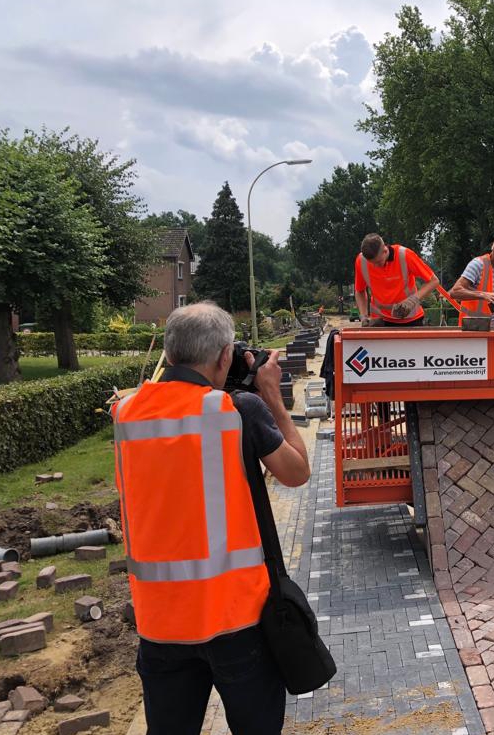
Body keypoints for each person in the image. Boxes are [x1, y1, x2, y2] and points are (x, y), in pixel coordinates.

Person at [111, 302, 310, 734]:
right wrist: (271, 395)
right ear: (225, 357)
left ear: (170, 352)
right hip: (234, 617)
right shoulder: (235, 411)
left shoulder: (126, 415)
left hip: (159, 623)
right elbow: (297, 472)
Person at [354, 233, 440, 327]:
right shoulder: (361, 261)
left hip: (410, 319)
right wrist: (364, 316)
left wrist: (412, 300)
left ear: (385, 250)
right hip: (379, 320)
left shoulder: (404, 255)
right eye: (371, 263)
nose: (375, 266)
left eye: (378, 262)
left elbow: (434, 281)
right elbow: (359, 291)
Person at [449, 232, 494, 325]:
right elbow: (455, 292)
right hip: (472, 328)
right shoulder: (477, 264)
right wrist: (483, 295)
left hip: (493, 328)